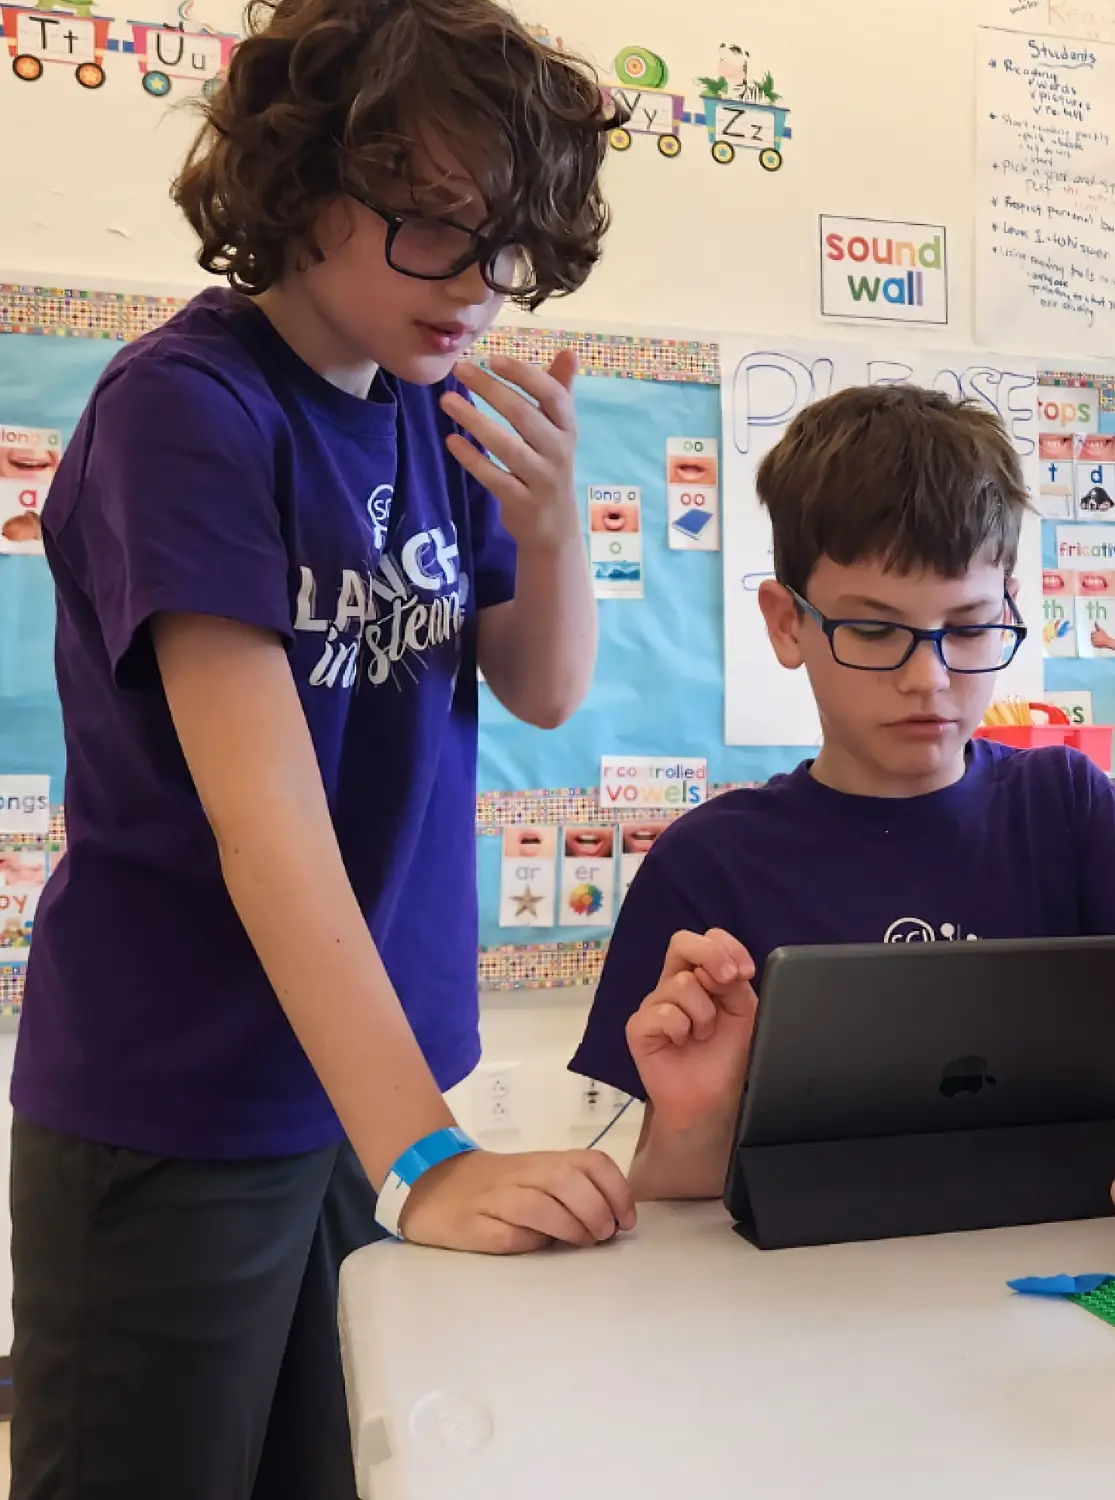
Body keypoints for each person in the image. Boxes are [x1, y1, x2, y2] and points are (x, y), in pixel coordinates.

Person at [10, 3, 636, 1494]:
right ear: (295, 184)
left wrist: (549, 531)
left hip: (375, 1085)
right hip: (186, 1097)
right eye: (434, 228)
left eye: (514, 249)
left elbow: (542, 689)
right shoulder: (189, 408)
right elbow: (269, 822)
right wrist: (427, 1156)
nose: (481, 289)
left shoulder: (423, 397)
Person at [569, 385, 1115, 1219]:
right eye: (875, 631)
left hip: (1054, 1284)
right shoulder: (708, 864)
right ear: (787, 624)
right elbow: (671, 1202)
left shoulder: (1061, 805)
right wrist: (698, 1121)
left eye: (967, 627)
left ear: (1010, 604)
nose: (928, 680)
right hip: (803, 1307)